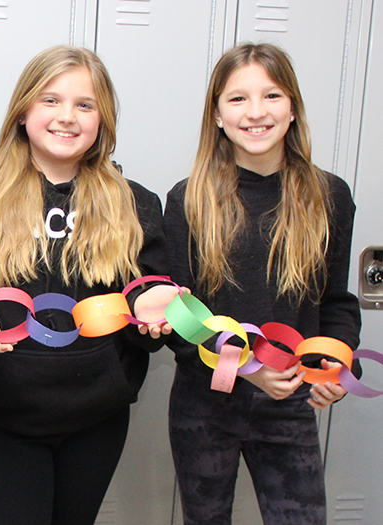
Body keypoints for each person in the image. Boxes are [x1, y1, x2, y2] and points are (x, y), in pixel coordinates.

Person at [0, 45, 176, 525]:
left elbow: (147, 284)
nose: (68, 117)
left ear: (102, 118)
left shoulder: (134, 204)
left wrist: (153, 308)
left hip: (96, 417)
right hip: (8, 417)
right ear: (22, 112)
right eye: (50, 100)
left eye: (85, 104)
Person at [164, 42, 361, 525]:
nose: (256, 112)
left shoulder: (328, 196)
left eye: (272, 96)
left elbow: (336, 300)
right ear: (216, 115)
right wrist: (247, 368)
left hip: (289, 401)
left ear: (292, 108)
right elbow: (180, 313)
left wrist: (334, 363)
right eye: (237, 99)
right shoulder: (189, 199)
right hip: (206, 405)